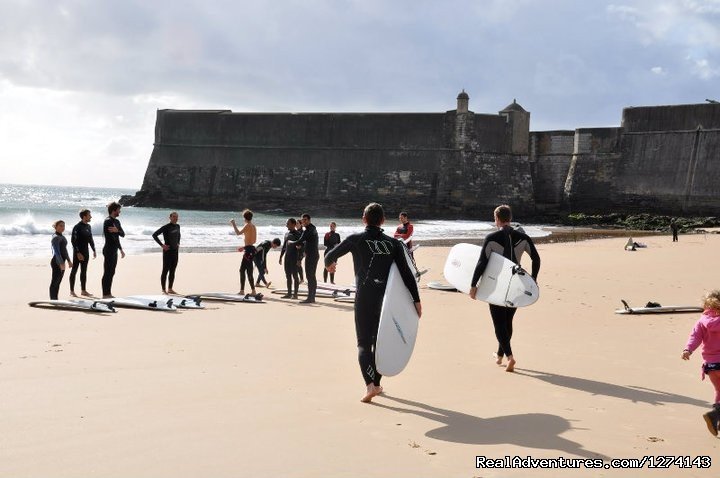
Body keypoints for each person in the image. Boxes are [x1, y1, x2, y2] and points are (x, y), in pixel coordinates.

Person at [325, 202, 421, 403]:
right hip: (386, 301)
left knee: (363, 344)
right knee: (381, 342)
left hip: (364, 298)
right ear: (383, 221)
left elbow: (329, 255)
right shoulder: (394, 244)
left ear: (364, 219)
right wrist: (416, 300)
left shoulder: (355, 240)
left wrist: (331, 266)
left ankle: (370, 385)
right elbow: (406, 274)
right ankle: (376, 383)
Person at [469, 204, 540, 373]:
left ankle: (510, 357)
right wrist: (533, 280)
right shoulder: (523, 238)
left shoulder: (492, 238)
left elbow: (482, 263)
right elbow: (536, 259)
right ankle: (500, 356)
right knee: (507, 322)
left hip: (497, 286)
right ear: (510, 218)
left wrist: (473, 285)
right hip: (517, 286)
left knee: (498, 323)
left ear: (497, 219)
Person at [682, 290, 720, 437]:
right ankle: (714, 415)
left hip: (710, 366)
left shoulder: (701, 321)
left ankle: (717, 420)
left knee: (718, 390)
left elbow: (695, 337)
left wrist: (688, 350)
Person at [288, 213, 319, 304]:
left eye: (305, 220)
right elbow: (306, 241)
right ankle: (311, 297)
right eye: (302, 220)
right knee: (311, 276)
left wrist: (291, 242)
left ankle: (310, 298)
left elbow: (300, 240)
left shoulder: (309, 230)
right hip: (312, 255)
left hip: (312, 256)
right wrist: (300, 245)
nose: (303, 221)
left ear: (309, 220)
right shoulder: (312, 229)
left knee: (310, 276)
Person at [152, 212, 181, 294]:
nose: (176, 218)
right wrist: (162, 245)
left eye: (177, 217)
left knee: (173, 270)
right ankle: (163, 289)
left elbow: (179, 235)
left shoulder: (178, 226)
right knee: (165, 270)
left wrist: (178, 242)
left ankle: (170, 289)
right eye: (174, 217)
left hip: (175, 251)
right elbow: (154, 235)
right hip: (167, 252)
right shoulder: (166, 227)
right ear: (170, 218)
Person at [69, 209, 96, 297]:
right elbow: (73, 241)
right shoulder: (77, 227)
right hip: (78, 253)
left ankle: (83, 290)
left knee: (84, 271)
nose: (91, 217)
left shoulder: (88, 227)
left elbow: (90, 239)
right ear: (84, 216)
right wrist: (78, 253)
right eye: (89, 215)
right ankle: (72, 291)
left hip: (86, 252)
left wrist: (94, 249)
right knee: (74, 270)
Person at [101, 202, 125, 299]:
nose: (120, 211)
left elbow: (122, 234)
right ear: (114, 210)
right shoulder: (108, 221)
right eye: (119, 210)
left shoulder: (117, 222)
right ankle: (105, 294)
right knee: (107, 272)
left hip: (114, 249)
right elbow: (113, 237)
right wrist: (116, 232)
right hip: (108, 249)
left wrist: (120, 249)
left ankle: (108, 293)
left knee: (112, 272)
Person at [231, 209, 257, 296]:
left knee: (242, 270)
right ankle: (252, 291)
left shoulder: (247, 225)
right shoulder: (253, 226)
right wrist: (245, 247)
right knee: (248, 271)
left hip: (248, 251)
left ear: (244, 217)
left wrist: (233, 224)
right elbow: (254, 241)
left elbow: (238, 233)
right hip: (251, 249)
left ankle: (244, 291)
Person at [49, 220, 73, 300]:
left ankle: (55, 298)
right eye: (60, 226)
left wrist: (69, 261)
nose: (62, 227)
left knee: (58, 282)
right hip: (57, 262)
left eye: (63, 226)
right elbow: (57, 251)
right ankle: (53, 299)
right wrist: (61, 263)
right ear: (56, 227)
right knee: (55, 282)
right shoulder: (55, 237)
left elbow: (64, 250)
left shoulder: (62, 236)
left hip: (61, 262)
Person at [279, 218, 301, 299]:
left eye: (288, 223)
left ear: (293, 224)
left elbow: (301, 248)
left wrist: (299, 259)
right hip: (287, 257)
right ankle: (289, 293)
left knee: (295, 275)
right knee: (288, 275)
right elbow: (284, 246)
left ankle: (295, 294)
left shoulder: (297, 234)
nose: (286, 225)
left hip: (294, 257)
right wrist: (281, 256)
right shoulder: (287, 234)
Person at [295, 219, 305, 284]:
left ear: (301, 224)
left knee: (298, 264)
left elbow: (305, 241)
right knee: (296, 264)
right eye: (296, 223)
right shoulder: (296, 232)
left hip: (301, 251)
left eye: (297, 223)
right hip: (296, 251)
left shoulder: (302, 232)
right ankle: (299, 278)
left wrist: (302, 247)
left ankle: (301, 279)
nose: (296, 225)